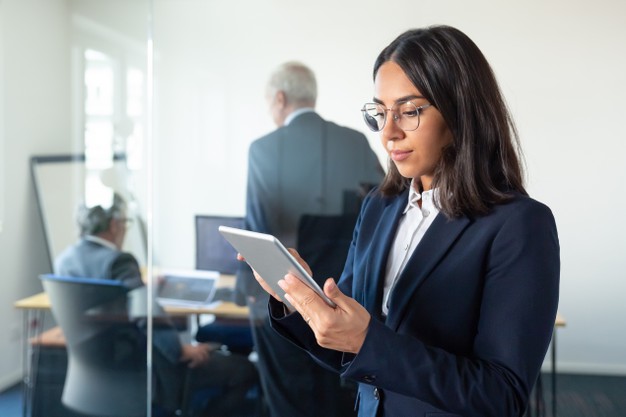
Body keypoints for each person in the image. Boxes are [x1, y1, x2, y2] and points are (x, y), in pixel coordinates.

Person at [248, 26, 560, 417]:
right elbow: (349, 352)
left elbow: (502, 396)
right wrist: (299, 301)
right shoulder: (379, 208)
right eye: (380, 113)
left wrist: (368, 341)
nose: (388, 134)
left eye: (409, 111)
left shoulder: (519, 225)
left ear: (460, 111)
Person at [234, 61, 384, 416]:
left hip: (286, 302)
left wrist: (247, 295)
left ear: (281, 98)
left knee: (287, 402)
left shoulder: (263, 150)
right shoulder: (356, 141)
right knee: (335, 399)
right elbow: (381, 212)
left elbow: (258, 229)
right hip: (345, 303)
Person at [55, 192, 258, 417]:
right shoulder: (119, 261)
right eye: (125, 223)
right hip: (146, 370)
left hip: (94, 368)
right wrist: (180, 350)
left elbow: (107, 303)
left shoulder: (65, 259)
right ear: (114, 225)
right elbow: (145, 313)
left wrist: (142, 287)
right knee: (245, 370)